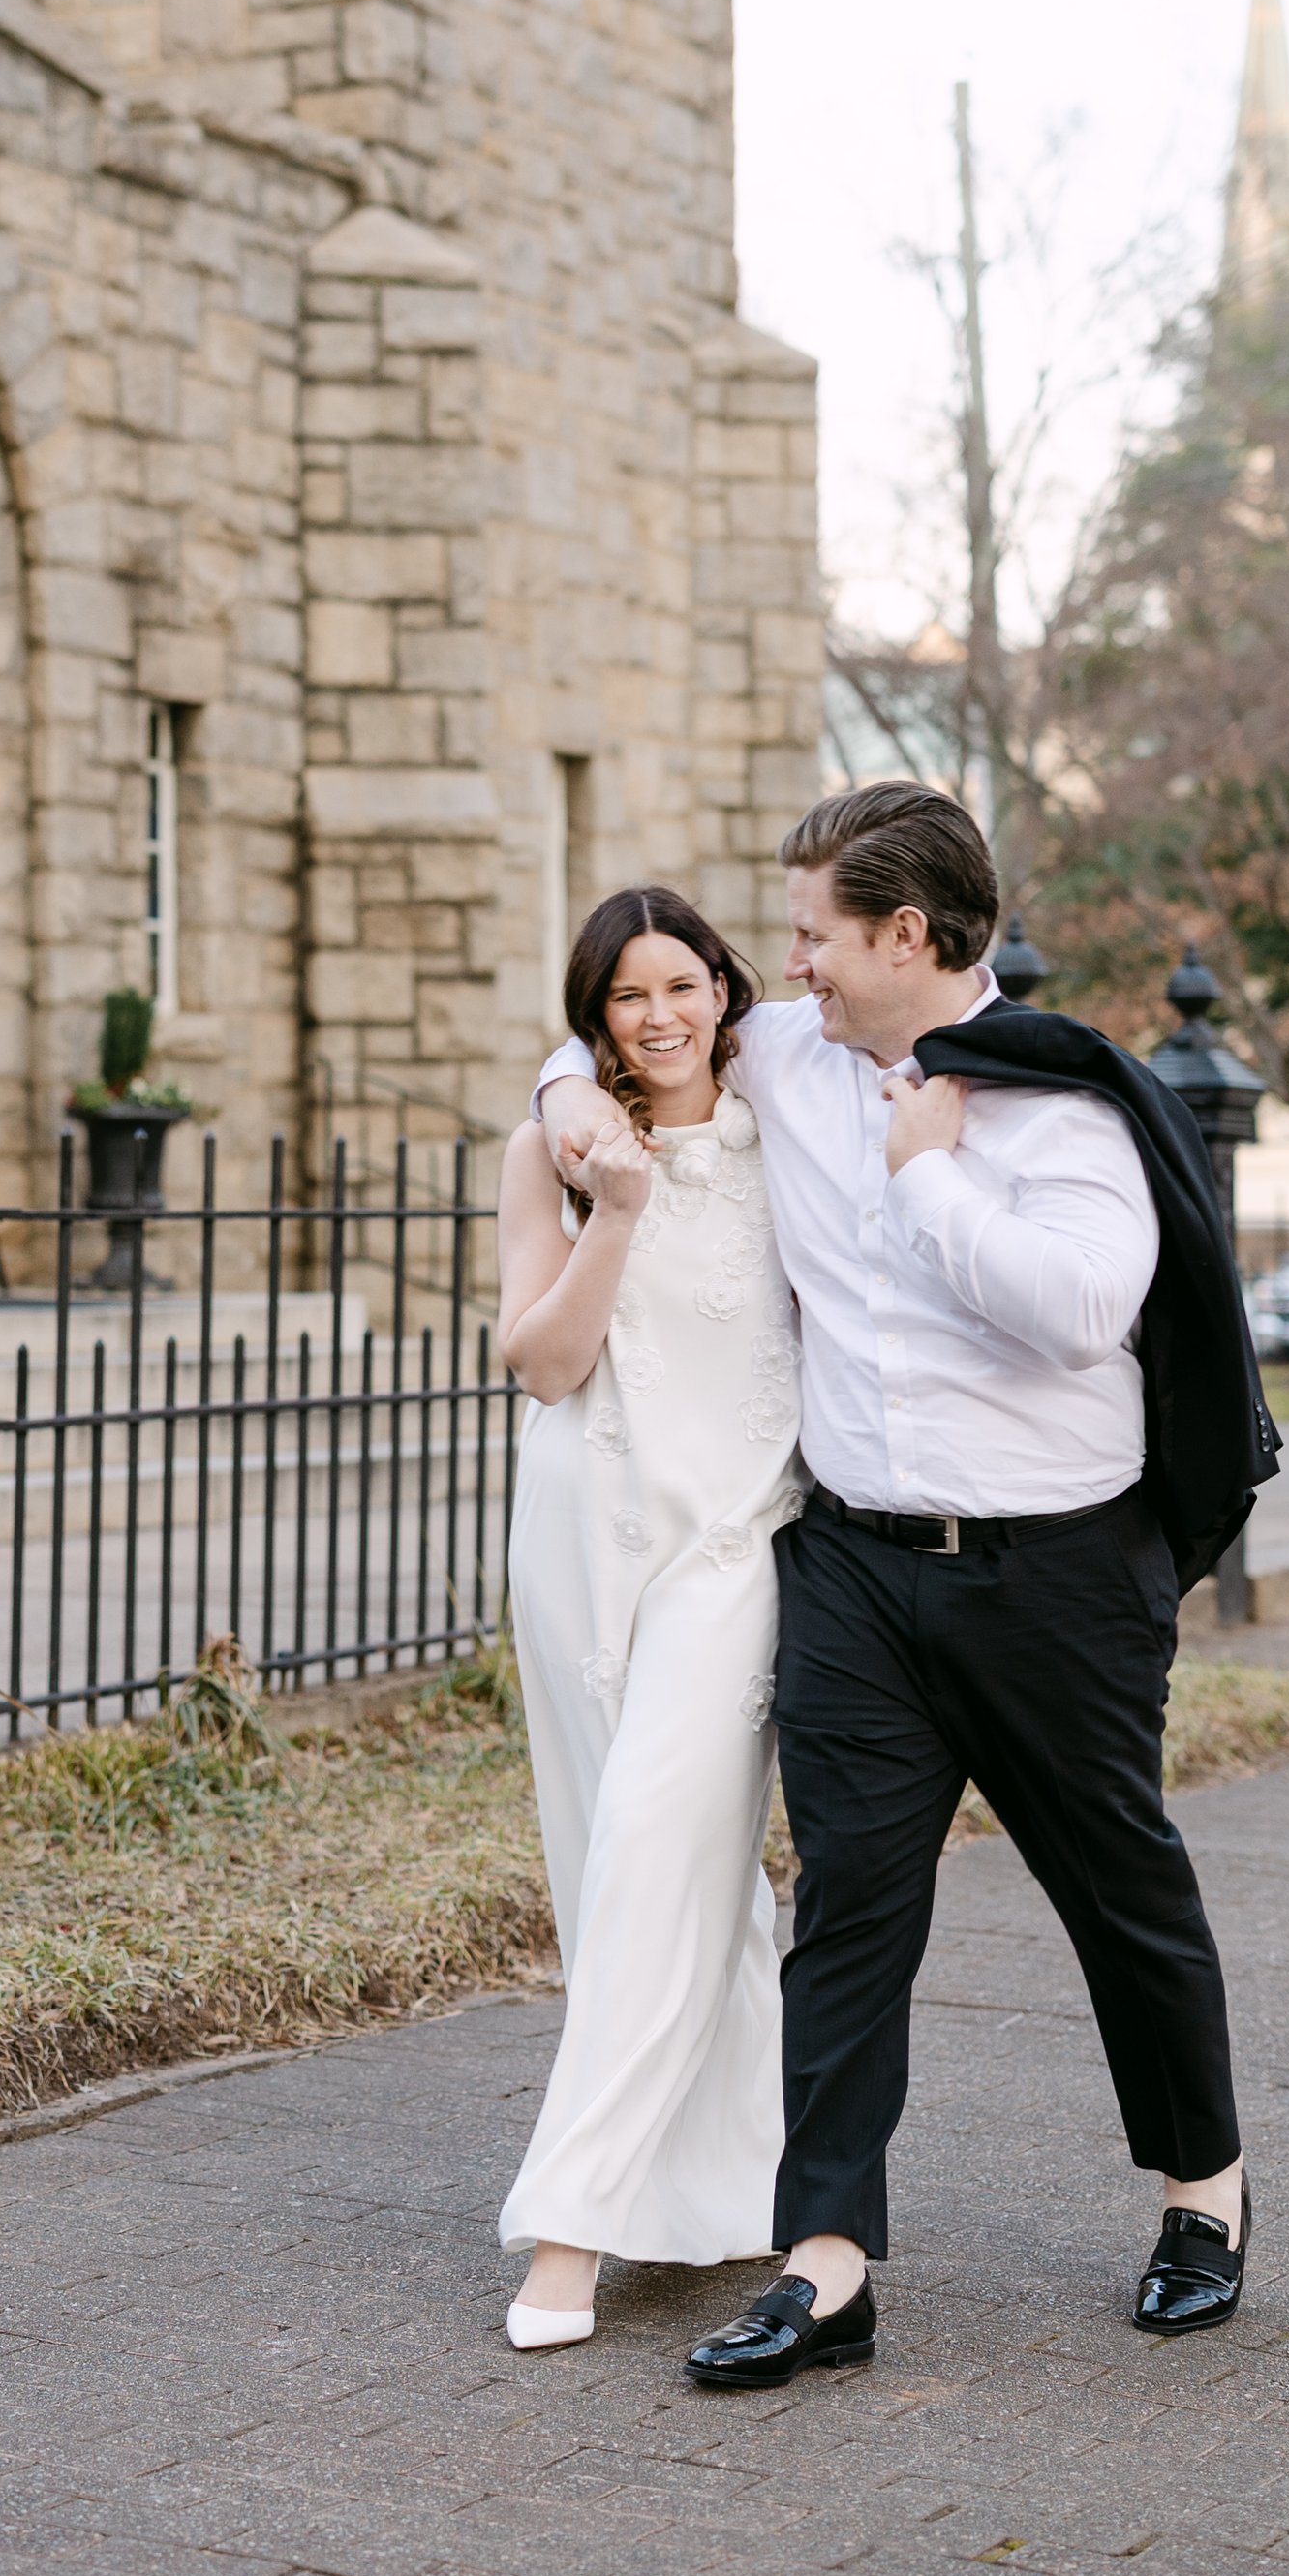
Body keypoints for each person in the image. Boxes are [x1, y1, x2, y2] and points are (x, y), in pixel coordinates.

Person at [537, 782, 1271, 2388]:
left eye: (814, 935)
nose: (785, 963)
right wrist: (560, 1104)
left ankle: (1201, 2199)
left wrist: (932, 1173)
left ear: (906, 937)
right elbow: (639, 1034)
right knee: (851, 1910)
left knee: (1116, 1885)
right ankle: (829, 2264)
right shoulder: (788, 1057)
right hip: (860, 1564)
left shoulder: (1063, 1105)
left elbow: (1082, 1312)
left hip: (1057, 1574)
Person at [492, 888, 804, 2351]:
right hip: (580, 1535)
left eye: (684, 982)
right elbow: (543, 1364)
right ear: (594, 1014)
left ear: (726, 992)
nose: (660, 1013)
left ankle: (574, 2224)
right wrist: (612, 1204)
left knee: (655, 1849)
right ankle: (731, 2183)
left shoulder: (786, 1126)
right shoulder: (551, 1150)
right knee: (636, 1868)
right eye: (627, 995)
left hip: (733, 1550)